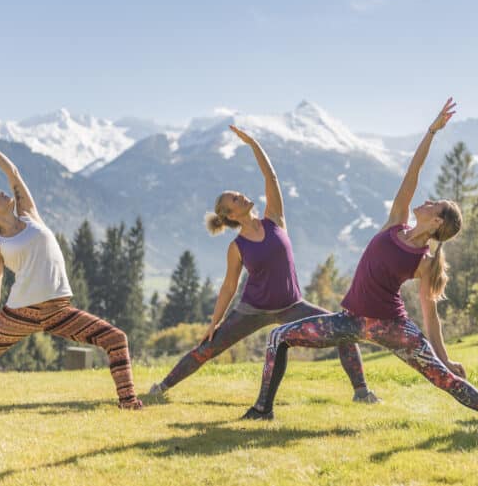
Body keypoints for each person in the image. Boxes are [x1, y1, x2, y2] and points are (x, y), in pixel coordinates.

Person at [242, 100, 478, 425]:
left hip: (391, 328)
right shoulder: (396, 223)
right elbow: (412, 174)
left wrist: (444, 359)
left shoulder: (425, 262)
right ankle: (263, 411)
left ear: (436, 224)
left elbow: (431, 318)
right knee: (278, 337)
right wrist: (431, 132)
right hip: (349, 320)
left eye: (434, 205)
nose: (426, 202)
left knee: (444, 380)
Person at [150, 126, 376, 403]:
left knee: (343, 331)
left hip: (293, 307)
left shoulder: (275, 219)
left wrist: (253, 143)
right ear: (230, 214)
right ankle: (161, 388)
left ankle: (362, 393)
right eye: (235, 198)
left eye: (238, 193)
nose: (242, 196)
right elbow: (229, 286)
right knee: (208, 347)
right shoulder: (237, 247)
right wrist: (214, 322)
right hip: (252, 310)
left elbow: (271, 177)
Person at [0, 141, 142, 409]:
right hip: (19, 314)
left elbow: (14, 174)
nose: (0, 193)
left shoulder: (29, 214)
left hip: (58, 309)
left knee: (116, 339)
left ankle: (129, 403)